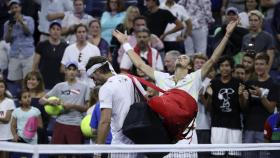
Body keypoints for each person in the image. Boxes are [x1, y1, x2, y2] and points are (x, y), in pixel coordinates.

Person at [112, 20, 239, 145]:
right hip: (165, 135)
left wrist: (227, 35)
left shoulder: (194, 78)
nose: (181, 57)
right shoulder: (163, 77)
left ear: (189, 67)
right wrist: (125, 43)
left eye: (185, 57)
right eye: (179, 56)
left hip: (187, 136)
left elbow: (212, 59)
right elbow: (140, 64)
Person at [85, 56, 142, 158]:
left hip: (121, 143)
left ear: (98, 71)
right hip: (139, 141)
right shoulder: (131, 78)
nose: (94, 82)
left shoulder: (106, 88)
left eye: (93, 77)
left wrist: (98, 152)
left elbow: (105, 122)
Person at [39, 62, 90, 149]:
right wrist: (49, 101)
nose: (72, 72)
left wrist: (73, 106)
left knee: (75, 154)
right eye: (69, 69)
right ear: (65, 71)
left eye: (74, 70)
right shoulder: (59, 86)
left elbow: (87, 108)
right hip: (60, 123)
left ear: (77, 72)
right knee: (59, 153)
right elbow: (41, 100)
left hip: (76, 124)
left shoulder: (84, 86)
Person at [206, 56, 245, 157]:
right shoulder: (213, 83)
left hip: (235, 125)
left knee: (234, 156)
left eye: (227, 65)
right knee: (217, 155)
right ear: (219, 68)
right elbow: (208, 108)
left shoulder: (238, 83)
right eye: (222, 65)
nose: (224, 68)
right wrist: (210, 96)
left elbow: (244, 108)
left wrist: (241, 96)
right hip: (217, 125)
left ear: (232, 68)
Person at [243, 53, 278, 158]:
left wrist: (261, 95)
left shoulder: (274, 85)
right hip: (249, 128)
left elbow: (271, 109)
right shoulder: (249, 83)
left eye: (262, 64)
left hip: (264, 130)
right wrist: (242, 98)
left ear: (267, 65)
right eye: (256, 64)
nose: (258, 66)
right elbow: (244, 107)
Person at [3, 0, 35, 82]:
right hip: (15, 54)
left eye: (16, 7)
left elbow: (30, 32)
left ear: (20, 8)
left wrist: (21, 22)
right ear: (10, 10)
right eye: (12, 8)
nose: (14, 9)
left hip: (28, 53)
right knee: (15, 81)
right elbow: (6, 40)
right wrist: (10, 28)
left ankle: (27, 95)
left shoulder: (29, 19)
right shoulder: (7, 23)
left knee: (28, 79)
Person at [33, 21, 68, 90]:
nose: (55, 31)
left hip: (59, 83)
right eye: (53, 29)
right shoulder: (42, 45)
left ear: (61, 32)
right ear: (49, 31)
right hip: (43, 82)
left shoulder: (65, 47)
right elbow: (35, 64)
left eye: (58, 29)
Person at [22, 71, 49, 144]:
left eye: (33, 79)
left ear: (38, 82)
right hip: (23, 131)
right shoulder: (22, 95)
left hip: (40, 132)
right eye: (28, 79)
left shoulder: (45, 96)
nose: (30, 81)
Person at [0, 79, 16, 158]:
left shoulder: (9, 102)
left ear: (5, 89)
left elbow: (6, 120)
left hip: (5, 136)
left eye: (1, 87)